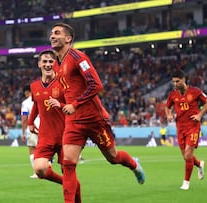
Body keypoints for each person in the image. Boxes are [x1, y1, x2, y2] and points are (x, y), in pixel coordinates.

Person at [48, 23, 145, 203]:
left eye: (57, 33)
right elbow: (68, 91)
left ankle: (134, 165)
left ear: (68, 39)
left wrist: (76, 104)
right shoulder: (56, 65)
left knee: (113, 157)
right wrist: (61, 104)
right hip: (73, 122)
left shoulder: (78, 57)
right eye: (51, 33)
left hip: (94, 119)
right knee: (68, 165)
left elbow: (96, 85)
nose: (52, 36)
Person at [28, 50, 81, 202]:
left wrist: (61, 104)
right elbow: (36, 104)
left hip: (66, 134)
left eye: (51, 61)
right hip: (46, 135)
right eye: (44, 61)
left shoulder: (64, 84)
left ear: (55, 64)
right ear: (39, 64)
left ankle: (72, 189)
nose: (48, 64)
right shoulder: (35, 86)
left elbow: (74, 106)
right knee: (39, 170)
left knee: (69, 172)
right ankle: (70, 184)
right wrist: (31, 122)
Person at [165, 69, 207, 190]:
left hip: (193, 127)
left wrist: (200, 115)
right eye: (173, 82)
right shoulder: (173, 95)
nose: (175, 84)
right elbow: (167, 107)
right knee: (186, 157)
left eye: (177, 81)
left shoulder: (195, 92)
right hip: (180, 128)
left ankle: (186, 182)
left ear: (184, 80)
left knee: (188, 153)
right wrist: (168, 115)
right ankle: (200, 164)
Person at [21, 85, 40, 178]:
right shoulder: (40, 98)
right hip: (44, 127)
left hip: (32, 127)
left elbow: (24, 118)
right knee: (44, 149)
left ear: (26, 92)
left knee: (32, 149)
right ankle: (47, 168)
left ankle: (37, 173)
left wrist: (23, 133)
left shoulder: (26, 103)